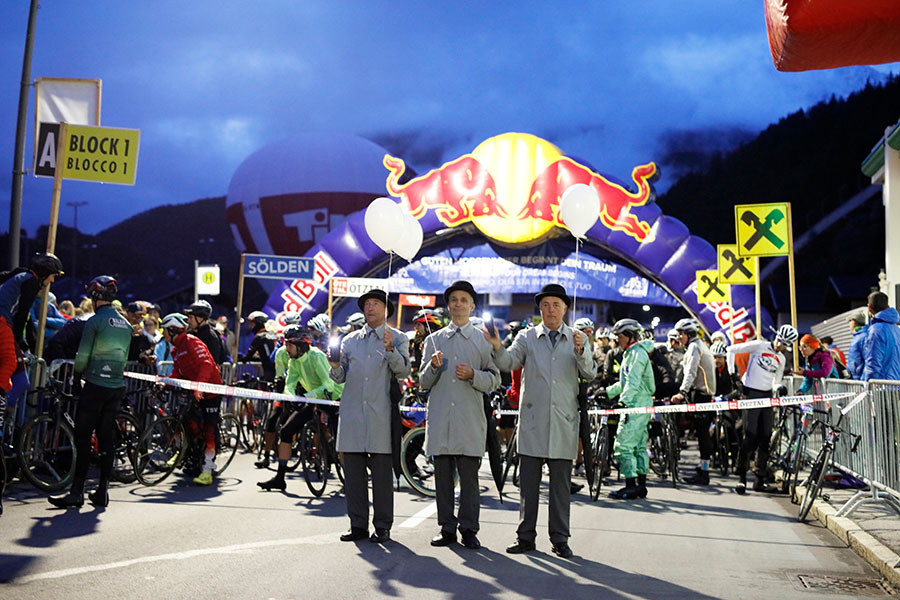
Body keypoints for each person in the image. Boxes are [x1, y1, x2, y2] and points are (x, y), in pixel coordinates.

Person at [485, 283, 596, 559]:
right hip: (533, 421)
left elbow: (591, 373)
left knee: (560, 487)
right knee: (528, 486)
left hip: (563, 421)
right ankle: (525, 537)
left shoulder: (577, 338)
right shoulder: (527, 337)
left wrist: (582, 352)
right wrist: (498, 347)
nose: (550, 310)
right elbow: (508, 362)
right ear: (540, 309)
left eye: (556, 304)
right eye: (545, 305)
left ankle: (560, 539)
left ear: (565, 308)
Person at [419, 281, 500, 550]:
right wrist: (432, 366)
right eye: (454, 299)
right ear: (448, 305)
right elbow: (422, 382)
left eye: (464, 300)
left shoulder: (482, 341)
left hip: (469, 420)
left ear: (472, 306)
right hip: (441, 418)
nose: (458, 304)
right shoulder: (434, 340)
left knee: (469, 481)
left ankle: (469, 529)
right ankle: (446, 528)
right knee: (442, 479)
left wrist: (473, 375)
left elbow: (495, 379)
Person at [329, 289, 410, 544]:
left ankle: (383, 526)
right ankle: (358, 525)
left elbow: (404, 371)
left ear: (386, 309)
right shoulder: (350, 340)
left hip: (380, 415)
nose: (370, 307)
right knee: (353, 476)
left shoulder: (397, 338)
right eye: (367, 304)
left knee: (382, 477)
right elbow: (341, 378)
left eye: (375, 303)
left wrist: (390, 350)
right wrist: (334, 367)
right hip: (352, 414)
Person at [49, 276, 132, 508]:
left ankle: (76, 493)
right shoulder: (125, 325)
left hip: (95, 385)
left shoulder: (94, 322)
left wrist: (76, 377)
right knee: (106, 439)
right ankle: (102, 491)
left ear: (96, 297)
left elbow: (83, 356)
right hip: (116, 387)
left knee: (83, 438)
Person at [258, 325, 343, 491]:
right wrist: (291, 397)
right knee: (286, 430)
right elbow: (290, 384)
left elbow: (329, 385)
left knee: (342, 440)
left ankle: (350, 476)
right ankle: (280, 478)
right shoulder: (294, 360)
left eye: (289, 345)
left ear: (301, 345)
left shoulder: (316, 356)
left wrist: (307, 396)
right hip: (314, 397)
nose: (286, 348)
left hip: (334, 397)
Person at [727, 324, 796, 495]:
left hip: (766, 396)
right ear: (776, 336)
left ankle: (760, 478)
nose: (780, 346)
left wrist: (779, 388)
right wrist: (733, 374)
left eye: (785, 344)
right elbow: (730, 350)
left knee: (765, 437)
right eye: (780, 341)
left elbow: (776, 380)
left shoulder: (781, 359)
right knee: (750, 436)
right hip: (751, 393)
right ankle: (741, 477)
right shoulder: (759, 345)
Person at [162, 312, 223, 485]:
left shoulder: (191, 341)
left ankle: (208, 469)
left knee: (209, 430)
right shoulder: (176, 350)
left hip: (210, 391)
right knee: (185, 422)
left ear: (173, 330)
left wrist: (200, 386)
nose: (162, 333)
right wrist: (164, 383)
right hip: (195, 390)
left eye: (165, 330)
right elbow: (177, 372)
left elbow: (206, 365)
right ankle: (185, 452)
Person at [0, 253, 64, 402]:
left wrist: (23, 343)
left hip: (4, 321)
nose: (52, 280)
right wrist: (21, 343)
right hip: (2, 322)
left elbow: (25, 318)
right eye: (53, 276)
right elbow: (21, 316)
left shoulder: (21, 274)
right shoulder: (32, 282)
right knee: (10, 363)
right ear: (45, 272)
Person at [604, 319, 655, 500]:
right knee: (639, 446)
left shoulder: (636, 355)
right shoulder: (633, 353)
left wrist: (622, 402)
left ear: (630, 336)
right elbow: (626, 382)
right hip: (641, 403)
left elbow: (632, 384)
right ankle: (641, 486)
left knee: (622, 446)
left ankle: (630, 486)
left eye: (620, 336)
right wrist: (607, 392)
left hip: (635, 405)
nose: (617, 339)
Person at [670, 317, 716, 485]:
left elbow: (690, 372)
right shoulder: (699, 344)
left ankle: (704, 473)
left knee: (702, 435)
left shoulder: (694, 348)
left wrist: (682, 392)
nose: (678, 337)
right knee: (702, 434)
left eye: (680, 334)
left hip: (701, 395)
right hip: (704, 394)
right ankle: (703, 467)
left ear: (688, 334)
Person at [862, 291, 900, 381]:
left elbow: (873, 364)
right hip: (896, 385)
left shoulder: (875, 330)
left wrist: (869, 386)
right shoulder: (896, 329)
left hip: (883, 388)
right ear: (888, 307)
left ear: (869, 308)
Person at [184, 300, 228, 365]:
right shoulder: (189, 334)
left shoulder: (211, 336)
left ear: (200, 318)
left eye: (191, 318)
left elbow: (214, 361)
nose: (188, 321)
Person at [239, 311, 278, 382]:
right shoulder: (273, 335)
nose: (251, 327)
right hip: (278, 370)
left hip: (268, 371)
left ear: (258, 323)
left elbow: (247, 357)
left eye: (252, 324)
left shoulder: (259, 337)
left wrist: (238, 358)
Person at [847, 311, 868, 379]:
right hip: (858, 380)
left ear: (853, 322)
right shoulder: (863, 335)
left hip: (859, 380)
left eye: (849, 321)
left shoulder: (860, 337)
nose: (849, 324)